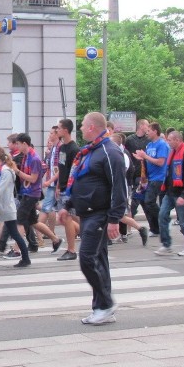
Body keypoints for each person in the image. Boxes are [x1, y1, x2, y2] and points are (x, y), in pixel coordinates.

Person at [57, 112, 127, 326]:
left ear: (91, 127)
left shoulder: (110, 152)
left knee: (87, 258)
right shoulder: (89, 151)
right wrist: (68, 205)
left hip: (99, 214)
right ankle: (101, 308)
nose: (79, 129)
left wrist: (115, 219)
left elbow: (119, 187)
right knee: (99, 261)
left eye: (82, 125)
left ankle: (106, 303)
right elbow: (78, 179)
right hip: (86, 212)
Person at [155, 130, 184, 257]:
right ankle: (166, 244)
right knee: (162, 215)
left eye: (170, 140)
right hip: (169, 192)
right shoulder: (172, 153)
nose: (168, 142)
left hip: (180, 193)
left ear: (177, 140)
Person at [133, 122, 169, 237]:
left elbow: (160, 162)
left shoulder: (162, 144)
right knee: (144, 202)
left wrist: (145, 156)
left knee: (150, 201)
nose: (147, 133)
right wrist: (141, 158)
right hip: (147, 178)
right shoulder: (149, 145)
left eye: (148, 131)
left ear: (155, 131)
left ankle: (163, 221)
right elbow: (148, 160)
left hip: (158, 177)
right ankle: (155, 228)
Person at [55, 118, 81, 261]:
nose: (57, 130)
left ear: (66, 130)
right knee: (68, 219)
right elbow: (62, 168)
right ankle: (85, 234)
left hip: (70, 189)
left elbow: (74, 171)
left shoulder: (74, 149)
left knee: (67, 218)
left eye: (59, 128)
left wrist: (70, 189)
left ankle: (71, 249)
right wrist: (58, 185)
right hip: (63, 187)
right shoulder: (62, 147)